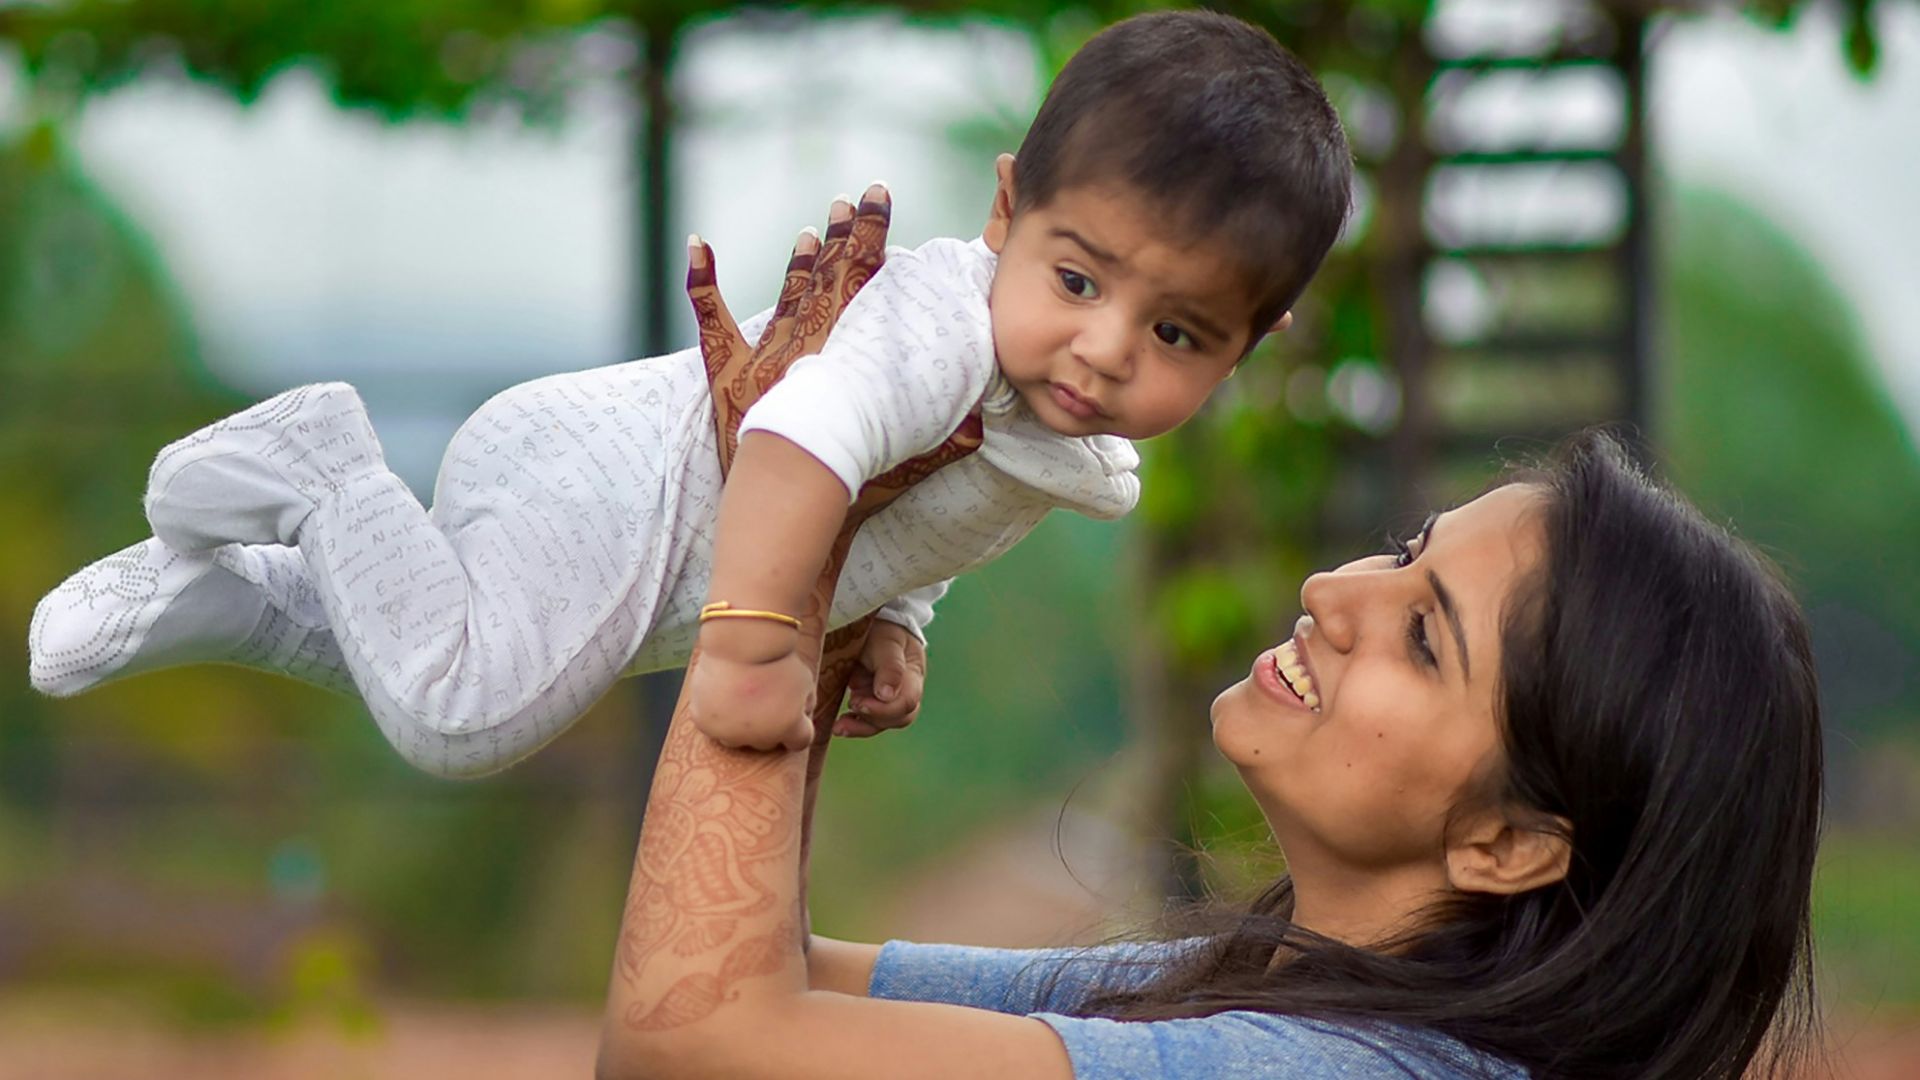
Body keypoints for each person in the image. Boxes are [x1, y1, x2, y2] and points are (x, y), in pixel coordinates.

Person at [594, 207, 1825, 1080]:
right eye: (1404, 555)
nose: (1335, 592)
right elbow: (762, 985)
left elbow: (691, 1045)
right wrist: (846, 556)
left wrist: (780, 567)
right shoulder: (1273, 999)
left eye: (1424, 638)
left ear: (1510, 843)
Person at [27, 9, 1353, 775]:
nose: (1109, 348)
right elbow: (809, 432)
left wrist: (900, 621)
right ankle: (323, 460)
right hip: (621, 484)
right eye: (1078, 279)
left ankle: (223, 595)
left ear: (1251, 343)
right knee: (461, 715)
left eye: (1176, 330)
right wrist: (753, 648)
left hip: (661, 522)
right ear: (1010, 209)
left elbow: (923, 514)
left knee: (415, 655)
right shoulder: (941, 324)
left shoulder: (1047, 424)